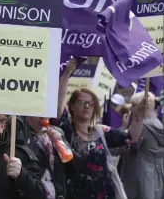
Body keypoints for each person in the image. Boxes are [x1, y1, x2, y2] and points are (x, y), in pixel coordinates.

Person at [56, 59, 145, 199]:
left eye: (91, 104)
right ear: (72, 106)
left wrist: (139, 117)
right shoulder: (66, 130)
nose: (86, 106)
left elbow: (131, 136)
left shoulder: (100, 132)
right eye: (81, 102)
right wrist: (67, 74)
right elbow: (58, 106)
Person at [119, 91, 164, 199]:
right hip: (157, 174)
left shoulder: (141, 126)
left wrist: (124, 128)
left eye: (134, 105)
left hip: (139, 175)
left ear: (143, 107)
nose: (131, 109)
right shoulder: (157, 123)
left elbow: (125, 146)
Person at [15, 116, 74, 199]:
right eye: (39, 114)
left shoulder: (57, 132)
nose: (43, 117)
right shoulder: (20, 133)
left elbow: (73, 167)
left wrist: (62, 143)